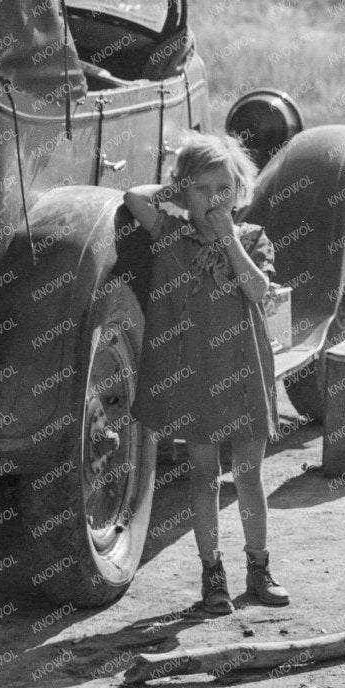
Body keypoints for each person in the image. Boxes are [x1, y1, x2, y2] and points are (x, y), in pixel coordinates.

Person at [122, 132, 286, 616]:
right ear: (183, 193)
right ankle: (211, 573)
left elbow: (258, 290)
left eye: (225, 189)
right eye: (203, 190)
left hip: (244, 369)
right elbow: (134, 197)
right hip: (196, 373)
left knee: (250, 473)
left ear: (240, 192)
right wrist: (178, 195)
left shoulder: (253, 238)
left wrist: (228, 236)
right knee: (204, 474)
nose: (216, 200)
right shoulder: (170, 237)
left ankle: (259, 567)